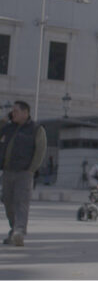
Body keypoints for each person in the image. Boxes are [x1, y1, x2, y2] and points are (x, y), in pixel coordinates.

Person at [0, 101, 47, 246]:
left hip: (24, 172)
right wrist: (4, 119)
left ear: (25, 112)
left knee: (21, 202)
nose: (13, 113)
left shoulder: (36, 129)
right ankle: (14, 229)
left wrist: (31, 169)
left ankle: (19, 231)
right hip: (7, 171)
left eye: (16, 111)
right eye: (12, 111)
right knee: (8, 203)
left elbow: (40, 151)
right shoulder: (7, 127)